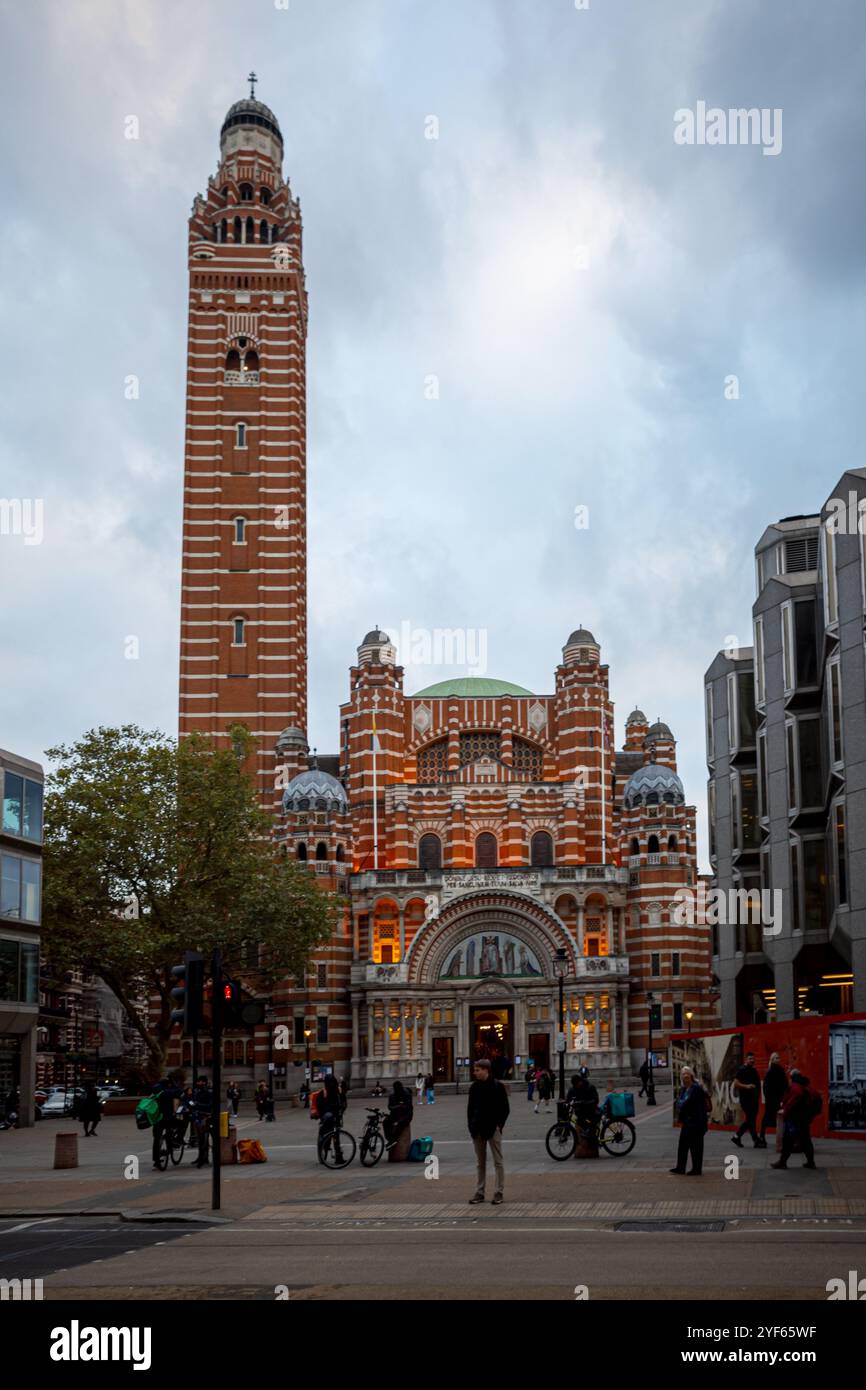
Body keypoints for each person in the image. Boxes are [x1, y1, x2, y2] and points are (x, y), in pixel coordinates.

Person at [467, 1058, 510, 1205]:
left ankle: (499, 1192)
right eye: (475, 1070)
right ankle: (479, 1192)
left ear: (486, 1070)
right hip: (477, 1129)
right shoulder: (474, 1087)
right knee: (480, 1163)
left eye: (477, 1070)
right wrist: (471, 1127)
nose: (475, 1073)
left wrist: (499, 1125)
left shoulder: (497, 1086)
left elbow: (505, 1108)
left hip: (493, 1128)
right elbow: (470, 1109)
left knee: (498, 1161)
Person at [771, 1069, 817, 1170]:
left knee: (788, 1140)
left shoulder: (795, 1086)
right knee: (806, 1140)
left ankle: (782, 1162)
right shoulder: (805, 1085)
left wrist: (786, 1109)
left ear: (791, 1077)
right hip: (803, 1119)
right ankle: (811, 1162)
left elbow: (795, 1098)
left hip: (794, 1118)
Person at [671, 1065, 709, 1175]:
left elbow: (688, 1103)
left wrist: (681, 1104)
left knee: (696, 1146)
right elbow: (679, 1103)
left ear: (691, 1075)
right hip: (688, 1121)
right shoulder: (684, 1089)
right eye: (683, 1074)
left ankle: (697, 1169)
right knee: (682, 1145)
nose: (685, 1076)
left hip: (696, 1121)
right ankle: (680, 1167)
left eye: (687, 1073)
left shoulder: (696, 1088)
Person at [732, 1051, 763, 1148]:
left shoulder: (754, 1070)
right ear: (746, 1059)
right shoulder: (741, 1070)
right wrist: (747, 1086)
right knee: (750, 1119)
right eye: (750, 1059)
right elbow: (736, 1083)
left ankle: (747, 1139)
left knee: (751, 1120)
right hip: (746, 1100)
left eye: (753, 1059)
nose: (752, 1060)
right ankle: (739, 1136)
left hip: (754, 1100)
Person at [151, 1075, 182, 1169]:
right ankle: (171, 1146)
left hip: (156, 1118)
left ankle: (156, 1160)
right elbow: (179, 1092)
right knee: (174, 1129)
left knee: (156, 1139)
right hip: (167, 1117)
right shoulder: (168, 1092)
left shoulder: (155, 1090)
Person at [567, 1068, 599, 1137]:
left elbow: (596, 1100)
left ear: (580, 1082)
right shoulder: (574, 1088)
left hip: (591, 1110)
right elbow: (568, 1098)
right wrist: (568, 1103)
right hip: (580, 1111)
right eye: (574, 1085)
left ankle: (592, 1137)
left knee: (591, 1125)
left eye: (577, 1084)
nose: (576, 1086)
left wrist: (584, 1103)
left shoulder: (590, 1087)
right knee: (580, 1122)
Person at [384, 1080, 413, 1150]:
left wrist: (397, 1107)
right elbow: (389, 1106)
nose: (398, 1092)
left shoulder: (406, 1094)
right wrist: (399, 1106)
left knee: (400, 1123)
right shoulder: (392, 1095)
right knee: (385, 1122)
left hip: (406, 1115)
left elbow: (407, 1107)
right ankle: (389, 1139)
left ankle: (393, 1140)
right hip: (395, 1114)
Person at [192, 1075, 212, 1168]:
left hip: (206, 1117)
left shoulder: (209, 1092)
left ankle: (204, 1158)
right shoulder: (197, 1092)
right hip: (197, 1116)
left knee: (204, 1139)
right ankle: (201, 1157)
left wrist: (198, 1105)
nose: (197, 1083)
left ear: (204, 1082)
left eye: (199, 1082)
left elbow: (210, 1105)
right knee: (200, 1139)